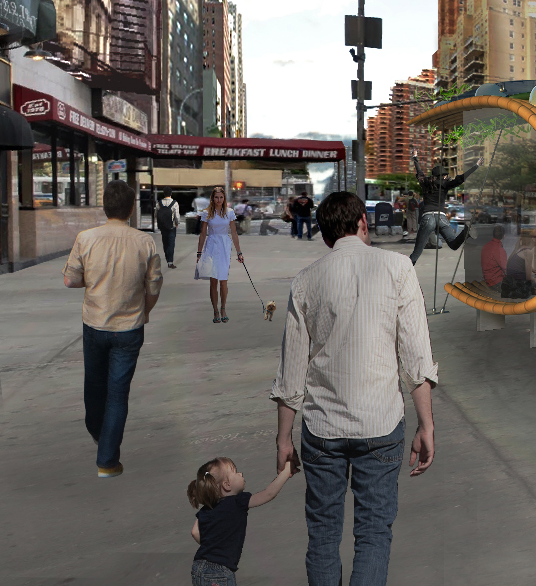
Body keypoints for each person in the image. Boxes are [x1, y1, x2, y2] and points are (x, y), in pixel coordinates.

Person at [271, 191, 439, 585]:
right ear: (364, 222)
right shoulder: (398, 268)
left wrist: (283, 439)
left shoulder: (307, 280)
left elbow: (291, 372)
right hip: (380, 427)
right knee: (373, 535)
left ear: (326, 236)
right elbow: (416, 359)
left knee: (324, 536)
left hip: (322, 432)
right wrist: (426, 425)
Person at [61, 180, 162, 478]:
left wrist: (91, 282)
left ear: (105, 207)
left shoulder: (86, 238)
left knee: (93, 384)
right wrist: (144, 312)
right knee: (118, 393)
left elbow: (70, 280)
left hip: (94, 323)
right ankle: (107, 461)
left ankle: (98, 432)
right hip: (130, 328)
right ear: (131, 209)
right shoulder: (145, 242)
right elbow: (153, 286)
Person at [187, 456, 296, 586]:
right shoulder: (238, 501)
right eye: (235, 472)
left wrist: (214, 547)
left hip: (198, 567)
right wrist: (286, 470)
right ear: (227, 485)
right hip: (219, 572)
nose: (241, 474)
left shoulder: (206, 509)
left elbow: (195, 532)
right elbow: (268, 494)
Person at [408, 157, 479, 264]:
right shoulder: (445, 184)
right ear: (443, 176)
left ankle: (404, 272)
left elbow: (419, 172)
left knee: (417, 252)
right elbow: (460, 179)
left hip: (427, 218)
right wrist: (476, 166)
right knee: (454, 244)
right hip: (441, 218)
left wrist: (415, 158)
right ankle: (466, 232)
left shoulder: (425, 183)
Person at [196, 186, 244, 323]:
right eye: (216, 197)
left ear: (224, 198)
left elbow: (234, 233)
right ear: (213, 198)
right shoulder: (207, 213)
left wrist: (239, 252)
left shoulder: (229, 212)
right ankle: (215, 311)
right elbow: (203, 233)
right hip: (211, 245)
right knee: (213, 281)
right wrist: (199, 253)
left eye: (221, 197)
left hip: (224, 245)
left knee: (223, 280)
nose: (218, 200)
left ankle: (223, 308)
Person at [157, 193, 181, 269]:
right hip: (172, 226)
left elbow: (156, 214)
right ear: (170, 193)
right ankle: (170, 262)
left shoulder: (159, 203)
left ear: (164, 193)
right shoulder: (174, 203)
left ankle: (167, 258)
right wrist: (177, 223)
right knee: (171, 243)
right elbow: (177, 216)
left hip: (163, 226)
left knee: (165, 242)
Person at [481, 224, 507, 289]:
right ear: (504, 235)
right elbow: (506, 269)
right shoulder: (499, 249)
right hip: (496, 282)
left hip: (487, 279)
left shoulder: (486, 246)